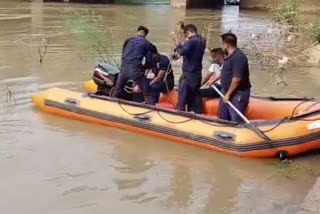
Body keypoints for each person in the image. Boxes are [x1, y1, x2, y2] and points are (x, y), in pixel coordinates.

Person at [112, 26, 156, 104]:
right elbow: (150, 59)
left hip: (123, 68)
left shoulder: (128, 41)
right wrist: (144, 68)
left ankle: (111, 103)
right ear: (145, 35)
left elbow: (123, 54)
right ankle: (148, 105)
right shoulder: (147, 43)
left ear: (137, 32)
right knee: (146, 88)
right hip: (135, 69)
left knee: (117, 90)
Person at [218, 32, 251, 123]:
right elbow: (226, 71)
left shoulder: (238, 57)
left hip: (237, 94)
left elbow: (236, 79)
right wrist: (217, 79)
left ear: (226, 44)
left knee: (235, 120)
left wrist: (228, 94)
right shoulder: (228, 55)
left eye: (223, 43)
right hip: (225, 91)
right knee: (222, 117)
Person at [173, 24, 206, 114]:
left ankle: (179, 112)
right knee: (195, 95)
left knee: (183, 94)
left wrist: (177, 42)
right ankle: (197, 113)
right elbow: (189, 53)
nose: (186, 38)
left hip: (189, 73)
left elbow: (181, 51)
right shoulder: (202, 40)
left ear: (188, 32)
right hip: (197, 73)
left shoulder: (192, 41)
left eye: (186, 35)